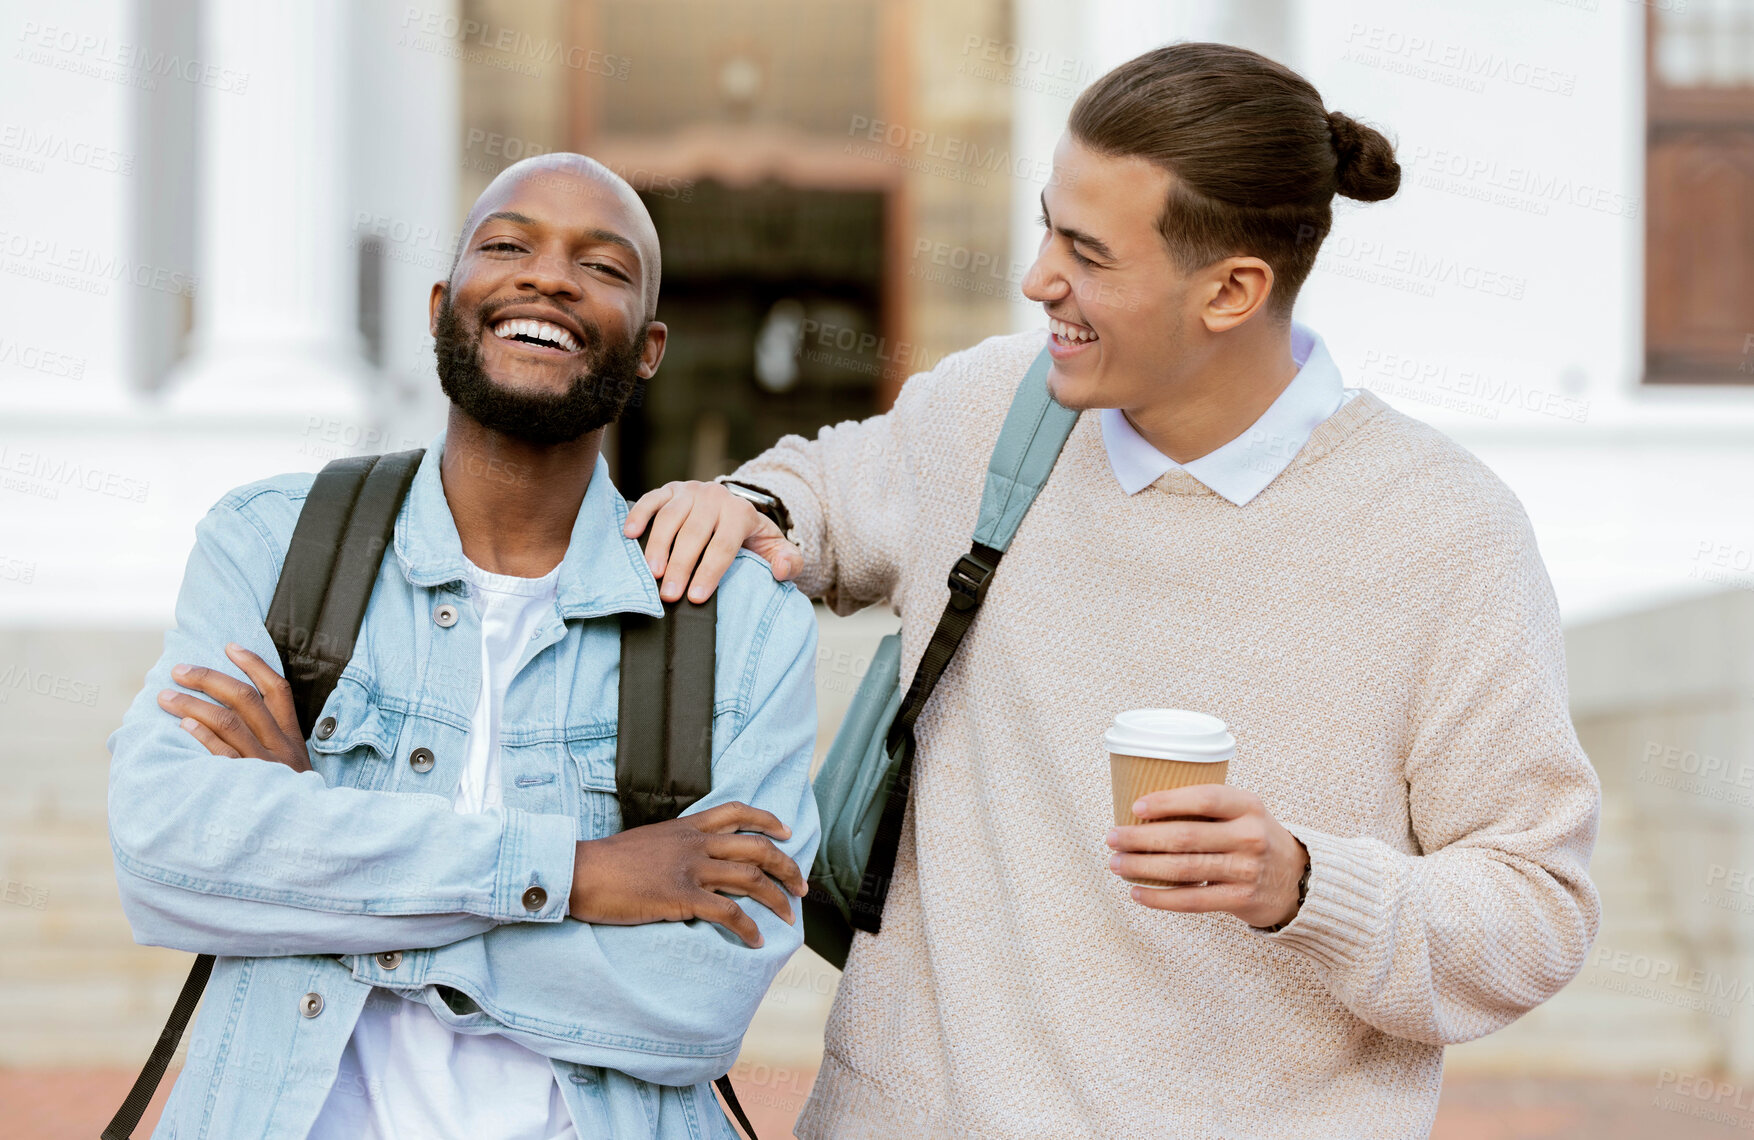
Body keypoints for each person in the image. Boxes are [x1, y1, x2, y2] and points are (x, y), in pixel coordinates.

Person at [626, 43, 1601, 1140]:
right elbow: (821, 491)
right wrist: (741, 501)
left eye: (1084, 253)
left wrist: (1302, 883)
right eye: (1046, 226)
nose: (1039, 276)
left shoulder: (1441, 530)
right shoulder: (997, 409)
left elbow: (1534, 910)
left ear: (1231, 289)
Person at [107, 153, 820, 1140]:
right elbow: (165, 850)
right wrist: (575, 875)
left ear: (649, 347)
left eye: (602, 266)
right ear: (445, 302)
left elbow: (698, 998)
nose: (549, 276)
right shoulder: (271, 546)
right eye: (507, 246)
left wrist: (310, 854)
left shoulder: (736, 620)